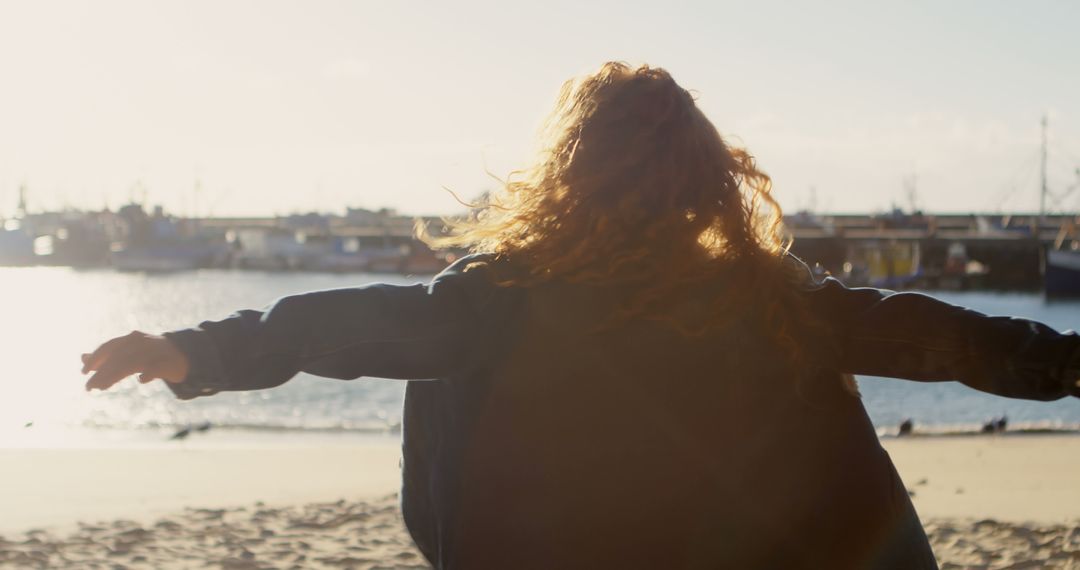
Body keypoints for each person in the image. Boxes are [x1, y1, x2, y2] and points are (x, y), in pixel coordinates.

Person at [81, 62, 1080, 569]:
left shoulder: (500, 297)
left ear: (567, 178)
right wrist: (1068, 362)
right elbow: (930, 335)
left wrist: (192, 349)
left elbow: (351, 326)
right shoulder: (763, 297)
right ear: (706, 184)